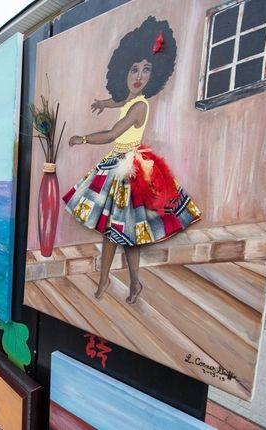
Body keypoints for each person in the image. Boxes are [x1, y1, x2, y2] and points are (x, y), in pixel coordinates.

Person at [62, 16, 201, 304]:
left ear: (154, 75)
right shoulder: (130, 100)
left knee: (119, 233)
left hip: (128, 170)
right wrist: (104, 103)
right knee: (122, 235)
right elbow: (119, 102)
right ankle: (127, 283)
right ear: (123, 71)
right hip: (116, 165)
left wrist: (83, 138)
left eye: (146, 70)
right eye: (134, 69)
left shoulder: (139, 106)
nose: (139, 75)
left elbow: (114, 133)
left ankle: (111, 283)